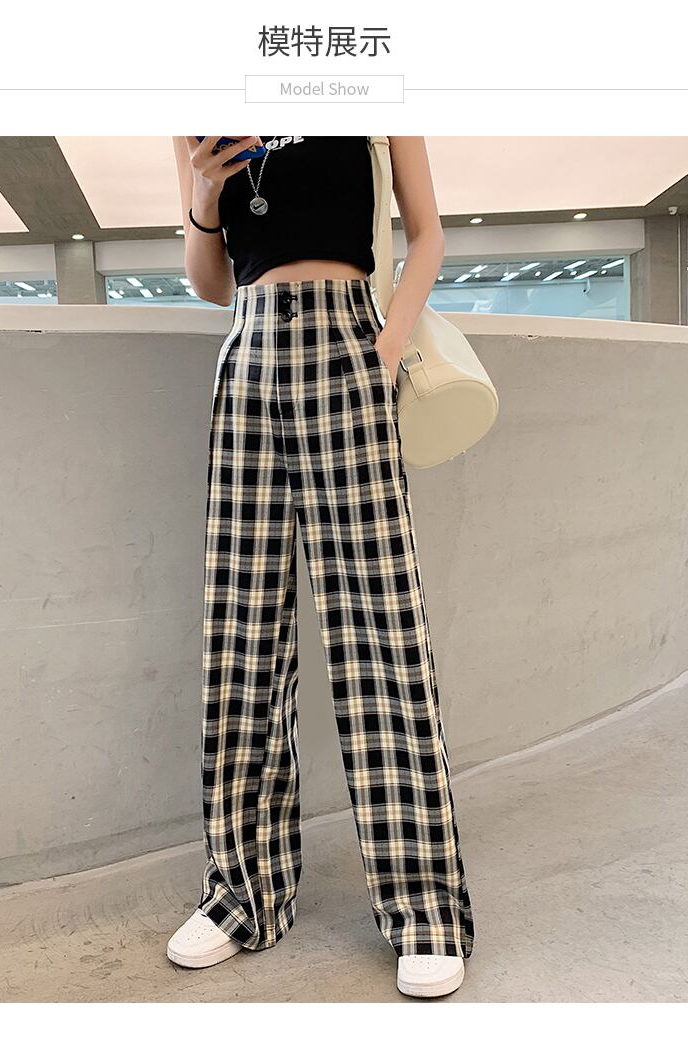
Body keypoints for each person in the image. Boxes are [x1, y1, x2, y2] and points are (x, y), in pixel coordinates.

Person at [167, 135, 475, 999]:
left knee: (383, 633)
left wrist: (388, 344)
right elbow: (211, 282)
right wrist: (203, 195)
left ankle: (424, 907)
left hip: (350, 347)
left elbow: (428, 232)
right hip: (249, 354)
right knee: (242, 637)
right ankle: (243, 893)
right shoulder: (198, 103)